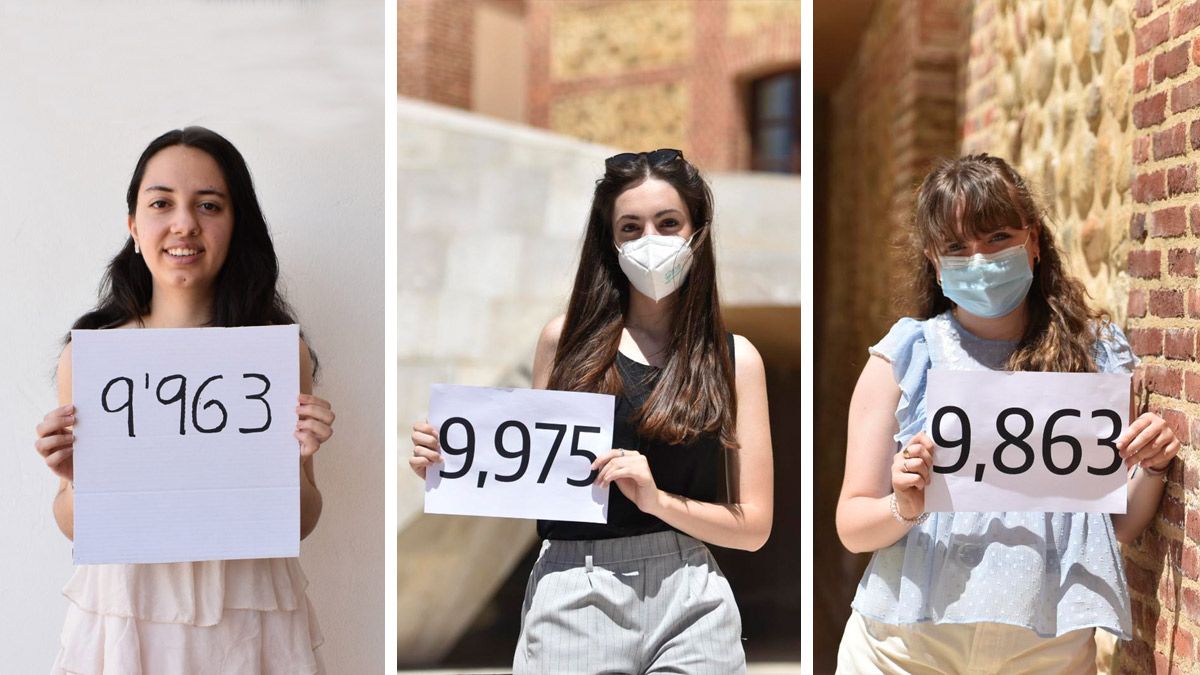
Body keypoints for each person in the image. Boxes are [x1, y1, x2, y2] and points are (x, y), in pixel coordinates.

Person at [410, 149, 773, 674]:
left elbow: (754, 526)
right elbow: (527, 478)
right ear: (612, 241)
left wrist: (658, 501)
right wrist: (446, 460)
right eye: (631, 227)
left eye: (668, 223)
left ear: (697, 231)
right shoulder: (564, 343)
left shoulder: (735, 359)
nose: (650, 238)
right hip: (575, 586)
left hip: (690, 590)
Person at [834, 154, 1178, 673]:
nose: (979, 259)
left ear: (1033, 241)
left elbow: (1117, 524)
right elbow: (853, 525)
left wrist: (1150, 466)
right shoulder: (904, 357)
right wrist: (904, 504)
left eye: (996, 237)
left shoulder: (1095, 356)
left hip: (1046, 651)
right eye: (956, 247)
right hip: (903, 650)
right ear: (934, 260)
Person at [33, 127, 334, 673]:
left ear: (235, 222)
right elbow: (74, 522)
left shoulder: (276, 355)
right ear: (133, 224)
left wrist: (296, 461)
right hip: (128, 612)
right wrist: (80, 477)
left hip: (250, 611)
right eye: (161, 203)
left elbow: (301, 518)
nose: (184, 224)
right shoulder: (94, 356)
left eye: (209, 205)